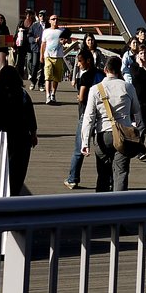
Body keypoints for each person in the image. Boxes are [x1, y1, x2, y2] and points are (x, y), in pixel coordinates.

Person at [81, 55, 142, 192]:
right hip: (124, 135)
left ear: (105, 69)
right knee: (121, 173)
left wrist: (85, 142)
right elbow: (136, 109)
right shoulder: (127, 87)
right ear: (119, 70)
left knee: (103, 173)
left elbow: (89, 117)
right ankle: (119, 205)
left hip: (103, 134)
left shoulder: (96, 89)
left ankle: (101, 205)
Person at [0, 64, 37, 195]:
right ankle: (13, 194)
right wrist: (33, 135)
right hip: (20, 138)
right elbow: (30, 117)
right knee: (17, 170)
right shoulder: (22, 93)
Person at [64, 48, 101, 189]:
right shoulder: (101, 74)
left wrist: (78, 97)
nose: (78, 64)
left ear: (88, 61)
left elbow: (82, 97)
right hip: (101, 116)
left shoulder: (86, 77)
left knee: (79, 149)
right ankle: (106, 179)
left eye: (80, 61)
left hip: (86, 115)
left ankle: (73, 179)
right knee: (101, 151)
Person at [41, 14, 67, 104]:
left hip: (58, 56)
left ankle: (53, 94)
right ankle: (47, 95)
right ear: (50, 21)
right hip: (48, 56)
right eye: (53, 19)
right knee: (48, 76)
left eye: (57, 19)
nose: (55, 20)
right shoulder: (46, 31)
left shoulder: (62, 30)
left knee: (56, 78)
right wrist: (41, 56)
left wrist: (65, 41)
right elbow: (43, 44)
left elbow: (68, 41)